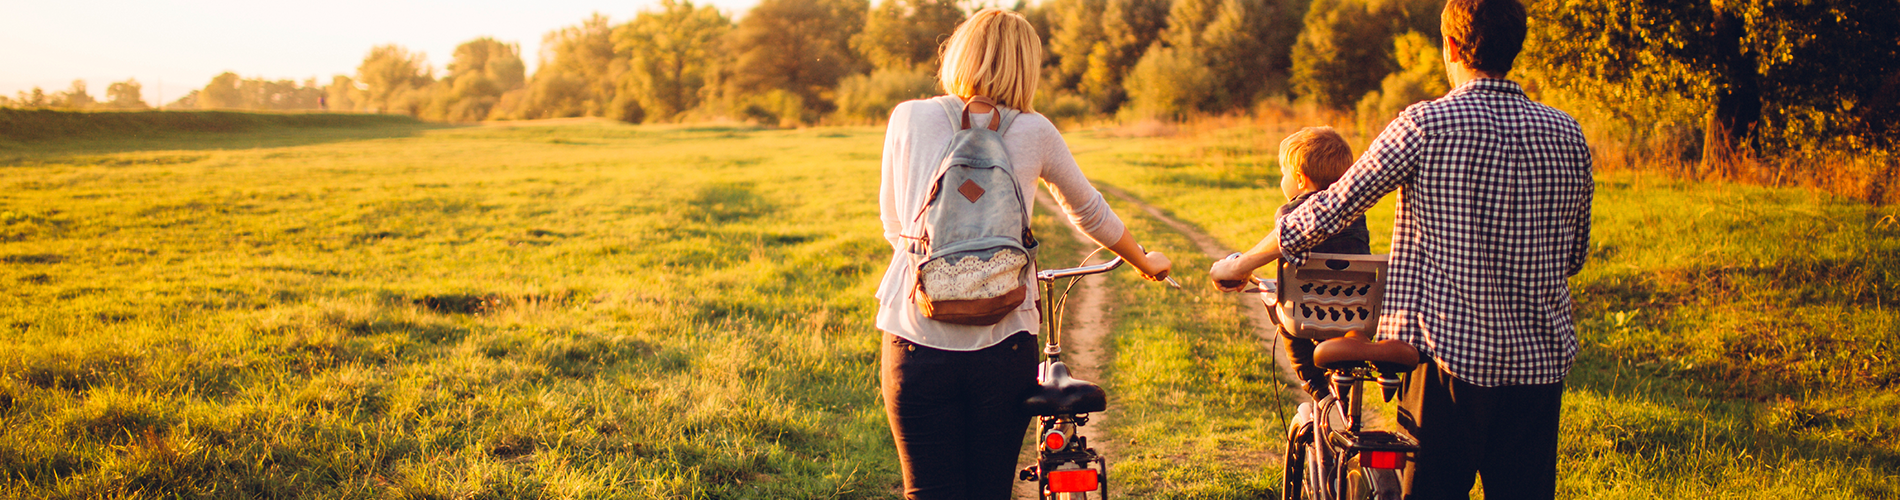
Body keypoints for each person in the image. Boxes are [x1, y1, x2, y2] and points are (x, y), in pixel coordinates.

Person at [1208, 0, 1593, 497]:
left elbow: (1331, 207)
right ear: (1516, 45)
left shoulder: (1425, 125)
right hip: (1539, 365)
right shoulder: (1567, 133)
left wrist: (1242, 263)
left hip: (1450, 364)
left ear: (1450, 46)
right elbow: (1573, 257)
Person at [874, 8, 1172, 500]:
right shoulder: (1034, 130)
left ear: (959, 54)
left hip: (916, 338)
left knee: (928, 491)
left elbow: (894, 226)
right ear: (1026, 66)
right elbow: (1089, 212)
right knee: (990, 490)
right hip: (1004, 343)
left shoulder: (908, 116)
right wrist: (1144, 260)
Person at [1265, 126, 1371, 401]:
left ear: (1300, 179)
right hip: (1356, 309)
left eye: (1284, 174)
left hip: (1309, 307)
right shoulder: (1356, 213)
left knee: (1281, 310)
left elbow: (1285, 255)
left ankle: (1312, 382)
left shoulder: (1289, 212)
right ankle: (1345, 381)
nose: (1282, 180)